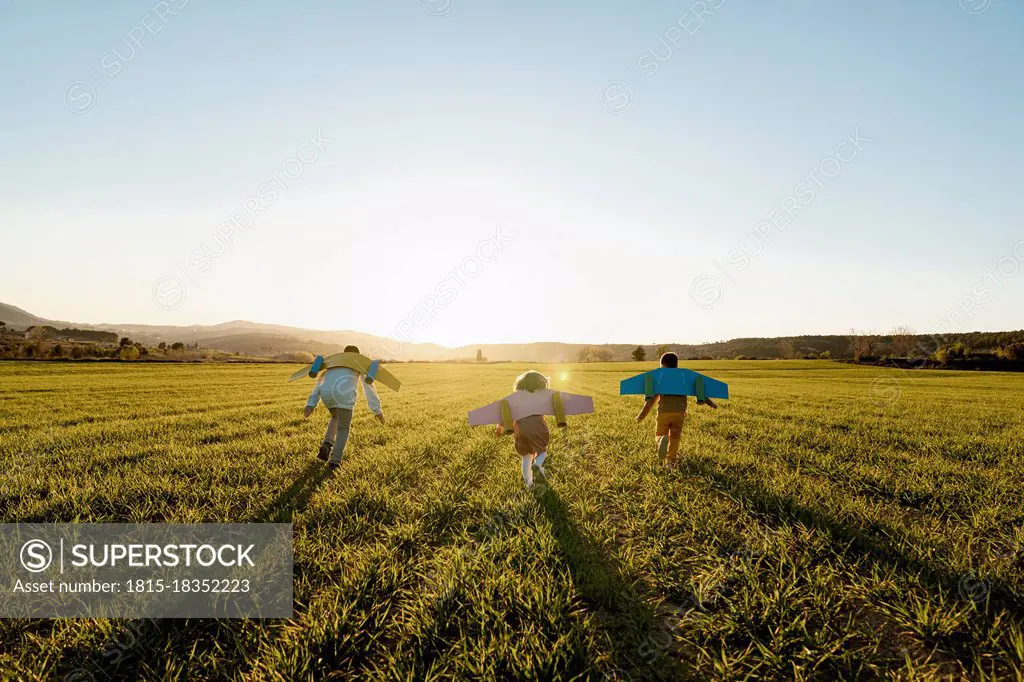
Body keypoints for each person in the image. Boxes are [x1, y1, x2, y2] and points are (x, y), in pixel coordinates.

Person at [303, 345, 385, 470]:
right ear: (357, 355)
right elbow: (369, 387)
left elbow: (320, 381)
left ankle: (327, 444)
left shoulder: (334, 361)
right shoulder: (358, 363)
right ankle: (335, 461)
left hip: (327, 394)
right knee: (343, 428)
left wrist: (311, 403)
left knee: (335, 417)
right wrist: (377, 410)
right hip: (344, 395)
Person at [635, 352, 717, 467]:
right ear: (676, 366)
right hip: (679, 414)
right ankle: (671, 462)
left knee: (660, 434)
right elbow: (699, 391)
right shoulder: (684, 380)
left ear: (662, 366)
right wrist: (711, 403)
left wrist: (640, 416)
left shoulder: (660, 380)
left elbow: (650, 402)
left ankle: (661, 440)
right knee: (675, 437)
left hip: (664, 413)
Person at [496, 370, 552, 489]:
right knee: (542, 451)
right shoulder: (541, 401)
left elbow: (506, 416)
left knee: (526, 457)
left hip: (522, 432)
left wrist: (499, 428)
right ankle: (537, 465)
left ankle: (529, 484)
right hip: (539, 430)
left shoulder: (515, 402)